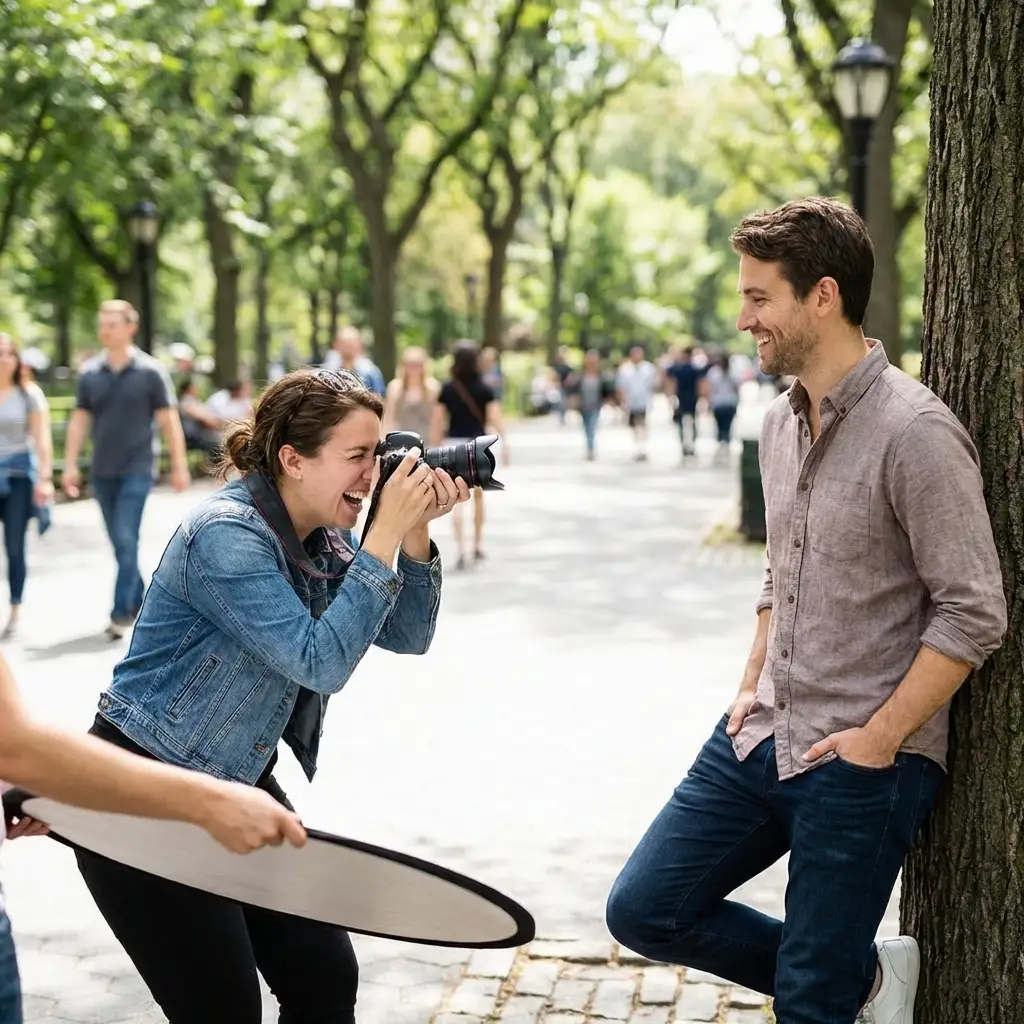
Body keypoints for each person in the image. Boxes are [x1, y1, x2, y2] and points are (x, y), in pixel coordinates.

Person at [605, 197, 1007, 1024]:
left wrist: (879, 740)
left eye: (760, 298)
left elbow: (974, 613)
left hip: (861, 764)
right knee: (644, 909)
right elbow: (777, 575)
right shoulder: (776, 425)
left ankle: (828, 983)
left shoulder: (916, 433)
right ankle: (864, 981)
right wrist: (747, 683)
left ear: (823, 296)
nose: (743, 318)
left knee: (808, 1005)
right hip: (761, 733)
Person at [72, 366, 469, 1024]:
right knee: (222, 1008)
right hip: (140, 789)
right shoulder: (226, 534)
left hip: (236, 782)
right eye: (358, 456)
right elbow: (319, 662)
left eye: (378, 454)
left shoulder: (323, 536)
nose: (374, 474)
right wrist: (380, 536)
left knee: (324, 977)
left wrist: (411, 530)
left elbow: (408, 635)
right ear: (293, 460)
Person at [0, 648, 307, 1024]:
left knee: (324, 978)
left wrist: (19, 789)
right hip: (165, 788)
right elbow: (15, 746)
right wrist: (208, 802)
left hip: (232, 778)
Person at [62, 300, 191, 639]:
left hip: (138, 467)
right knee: (121, 543)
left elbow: (169, 421)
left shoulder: (151, 372)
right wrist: (71, 464)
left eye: (112, 324)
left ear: (130, 327)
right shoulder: (90, 373)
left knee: (125, 536)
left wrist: (179, 465)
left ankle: (120, 613)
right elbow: (79, 421)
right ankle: (147, 598)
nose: (105, 330)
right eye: (102, 324)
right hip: (102, 470)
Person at [430, 341, 506, 570]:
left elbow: (437, 420)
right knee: (479, 498)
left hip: (453, 447)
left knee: (456, 498)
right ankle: (478, 544)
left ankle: (460, 548)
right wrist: (505, 441)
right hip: (478, 447)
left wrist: (435, 447)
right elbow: (494, 417)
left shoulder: (448, 388)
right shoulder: (484, 388)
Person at [0, 335, 54, 638]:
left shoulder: (29, 394)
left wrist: (45, 478)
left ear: (16, 359)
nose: (3, 359)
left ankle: (15, 607)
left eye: (8, 353)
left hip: (18, 477)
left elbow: (41, 438)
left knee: (14, 545)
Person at [382, 346, 440, 441]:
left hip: (425, 439)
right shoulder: (395, 387)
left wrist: (436, 442)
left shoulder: (432, 388)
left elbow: (436, 420)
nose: (413, 368)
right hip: (401, 438)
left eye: (417, 365)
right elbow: (389, 417)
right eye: (409, 364)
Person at [564, 349, 614, 460]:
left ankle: (591, 450)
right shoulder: (580, 375)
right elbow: (571, 388)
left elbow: (606, 389)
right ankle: (589, 447)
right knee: (587, 428)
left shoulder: (601, 375)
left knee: (592, 426)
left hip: (596, 405)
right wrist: (572, 399)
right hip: (583, 406)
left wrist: (609, 400)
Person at [615, 346, 657, 461]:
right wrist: (622, 401)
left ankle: (642, 448)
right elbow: (621, 387)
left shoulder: (648, 368)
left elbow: (653, 384)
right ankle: (637, 447)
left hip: (644, 401)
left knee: (642, 424)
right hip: (631, 402)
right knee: (634, 425)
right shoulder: (625, 369)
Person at [664, 346, 706, 460]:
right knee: (693, 422)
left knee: (681, 423)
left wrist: (671, 398)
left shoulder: (677, 369)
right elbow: (700, 384)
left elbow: (672, 384)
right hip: (692, 398)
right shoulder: (695, 369)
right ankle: (692, 444)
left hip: (681, 397)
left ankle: (684, 444)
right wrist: (703, 398)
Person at [323, 327, 387, 395]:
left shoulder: (371, 372)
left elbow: (378, 397)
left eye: (352, 344)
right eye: (344, 343)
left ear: (360, 345)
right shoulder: (327, 373)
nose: (348, 348)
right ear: (335, 345)